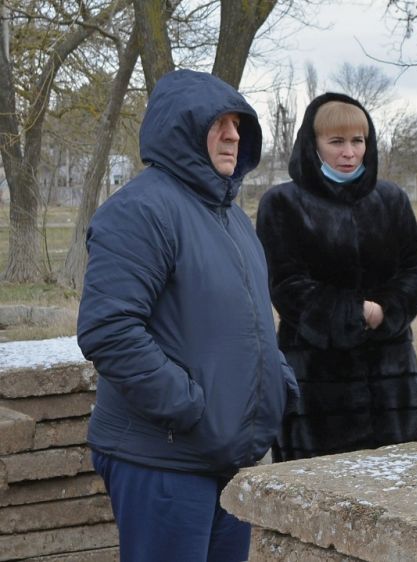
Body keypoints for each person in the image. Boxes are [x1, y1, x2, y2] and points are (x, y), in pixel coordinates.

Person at [77, 69, 299, 562]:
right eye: (217, 122)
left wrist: (276, 381)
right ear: (180, 127)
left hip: (224, 454)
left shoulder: (232, 217)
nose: (233, 134)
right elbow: (109, 330)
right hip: (163, 459)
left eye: (239, 124)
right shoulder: (140, 211)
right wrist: (190, 407)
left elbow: (248, 317)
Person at [256, 93, 417, 461]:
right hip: (316, 382)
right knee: (319, 499)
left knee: (399, 494)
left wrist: (386, 311)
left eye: (357, 141)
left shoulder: (392, 199)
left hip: (391, 381)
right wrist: (351, 313)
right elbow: (286, 284)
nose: (349, 152)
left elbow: (415, 267)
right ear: (313, 144)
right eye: (336, 142)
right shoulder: (282, 204)